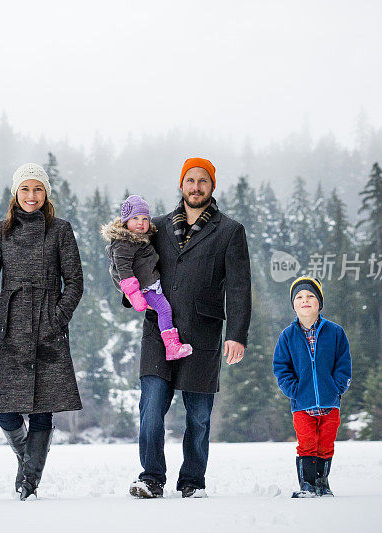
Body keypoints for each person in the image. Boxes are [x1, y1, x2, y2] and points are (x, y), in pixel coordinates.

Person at [128, 157, 252, 499]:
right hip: (159, 330)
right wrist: (131, 293)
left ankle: (193, 482)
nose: (195, 187)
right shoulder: (155, 227)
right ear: (180, 184)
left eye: (203, 181)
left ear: (212, 187)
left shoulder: (229, 231)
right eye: (190, 180)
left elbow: (239, 287)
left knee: (198, 417)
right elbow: (129, 262)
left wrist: (237, 335)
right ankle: (151, 477)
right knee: (151, 409)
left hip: (203, 333)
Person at [0, 162, 84, 500]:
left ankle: (28, 481)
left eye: (38, 189)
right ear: (15, 193)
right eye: (25, 189)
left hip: (48, 324)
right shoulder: (2, 231)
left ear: (46, 194)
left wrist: (57, 317)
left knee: (43, 407)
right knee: (6, 409)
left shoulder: (61, 230)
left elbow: (74, 283)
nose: (32, 195)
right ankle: (28, 458)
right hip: (10, 323)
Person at [272, 276, 352, 498]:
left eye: (310, 296)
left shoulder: (335, 332)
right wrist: (294, 390)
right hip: (302, 404)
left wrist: (337, 387)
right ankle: (307, 485)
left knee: (326, 444)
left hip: (330, 402)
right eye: (299, 297)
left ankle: (322, 483)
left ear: (319, 302)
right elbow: (281, 367)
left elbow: (343, 364)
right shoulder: (287, 336)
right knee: (307, 444)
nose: (304, 300)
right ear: (293, 304)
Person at [101, 194, 192, 360]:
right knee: (164, 310)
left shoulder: (141, 238)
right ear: (125, 221)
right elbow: (123, 270)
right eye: (135, 218)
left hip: (150, 283)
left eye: (144, 219)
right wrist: (134, 294)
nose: (140, 223)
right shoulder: (124, 243)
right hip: (143, 287)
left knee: (165, 310)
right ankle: (171, 347)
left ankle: (172, 346)